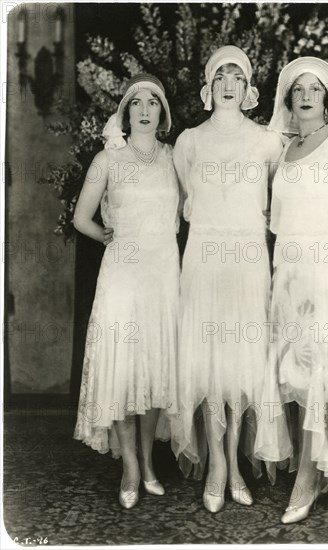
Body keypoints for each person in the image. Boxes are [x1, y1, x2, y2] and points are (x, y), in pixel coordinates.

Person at [255, 57, 328, 523]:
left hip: (327, 270)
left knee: (320, 373)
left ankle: (307, 478)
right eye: (299, 89)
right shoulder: (285, 149)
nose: (306, 96)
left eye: (316, 90)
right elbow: (274, 220)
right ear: (289, 98)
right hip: (288, 271)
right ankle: (317, 467)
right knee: (295, 376)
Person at [171, 46, 284, 513]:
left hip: (248, 257)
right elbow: (180, 199)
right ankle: (217, 463)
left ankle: (237, 462)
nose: (229, 83)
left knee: (242, 363)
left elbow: (284, 194)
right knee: (209, 363)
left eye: (238, 75)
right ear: (209, 86)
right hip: (205, 258)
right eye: (221, 75)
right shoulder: (189, 142)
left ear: (249, 86)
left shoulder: (266, 141)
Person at [73, 74, 180, 509]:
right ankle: (131, 469)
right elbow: (81, 217)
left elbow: (203, 202)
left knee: (155, 369)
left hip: (163, 274)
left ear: (162, 113)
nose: (144, 109)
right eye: (136, 102)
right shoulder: (108, 158)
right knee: (120, 369)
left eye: (152, 102)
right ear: (125, 111)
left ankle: (150, 462)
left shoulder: (175, 157)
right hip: (121, 273)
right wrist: (107, 236)